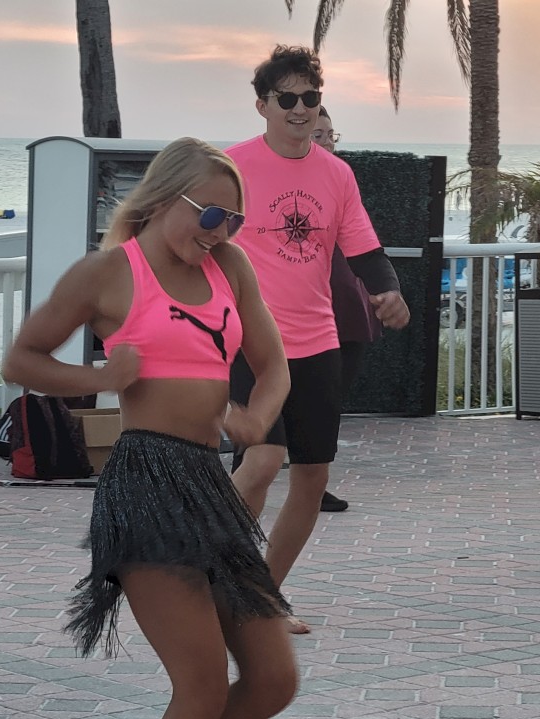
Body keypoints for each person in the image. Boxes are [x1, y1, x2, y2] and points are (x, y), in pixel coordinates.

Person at [2, 137, 295, 719]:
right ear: (165, 198)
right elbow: (23, 360)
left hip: (208, 482)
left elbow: (275, 364)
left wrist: (256, 418)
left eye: (232, 218)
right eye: (210, 212)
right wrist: (101, 375)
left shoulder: (229, 268)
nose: (220, 230)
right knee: (200, 685)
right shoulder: (110, 273)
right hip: (145, 484)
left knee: (272, 678)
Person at [227, 46, 409, 635]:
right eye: (288, 99)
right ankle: (210, 574)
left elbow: (363, 248)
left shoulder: (337, 174)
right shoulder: (230, 169)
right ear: (263, 105)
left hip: (317, 342)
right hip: (250, 343)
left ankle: (260, 599)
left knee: (312, 476)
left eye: (311, 98)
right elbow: (185, 242)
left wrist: (389, 292)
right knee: (261, 460)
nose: (301, 109)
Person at [311, 106, 383, 514]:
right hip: (299, 308)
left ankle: (316, 481)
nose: (326, 143)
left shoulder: (340, 181)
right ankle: (245, 474)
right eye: (319, 135)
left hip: (346, 302)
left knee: (331, 397)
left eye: (330, 135)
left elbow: (364, 244)